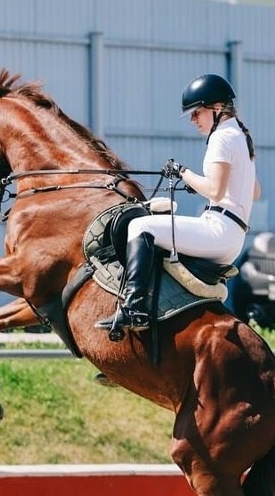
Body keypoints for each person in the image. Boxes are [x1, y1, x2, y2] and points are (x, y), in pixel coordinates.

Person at [97, 73, 260, 338]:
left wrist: (181, 171)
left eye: (197, 113)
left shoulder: (221, 138)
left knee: (140, 226)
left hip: (218, 230)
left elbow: (215, 191)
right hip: (232, 234)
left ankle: (133, 307)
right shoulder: (240, 136)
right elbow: (254, 191)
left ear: (217, 108)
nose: (194, 120)